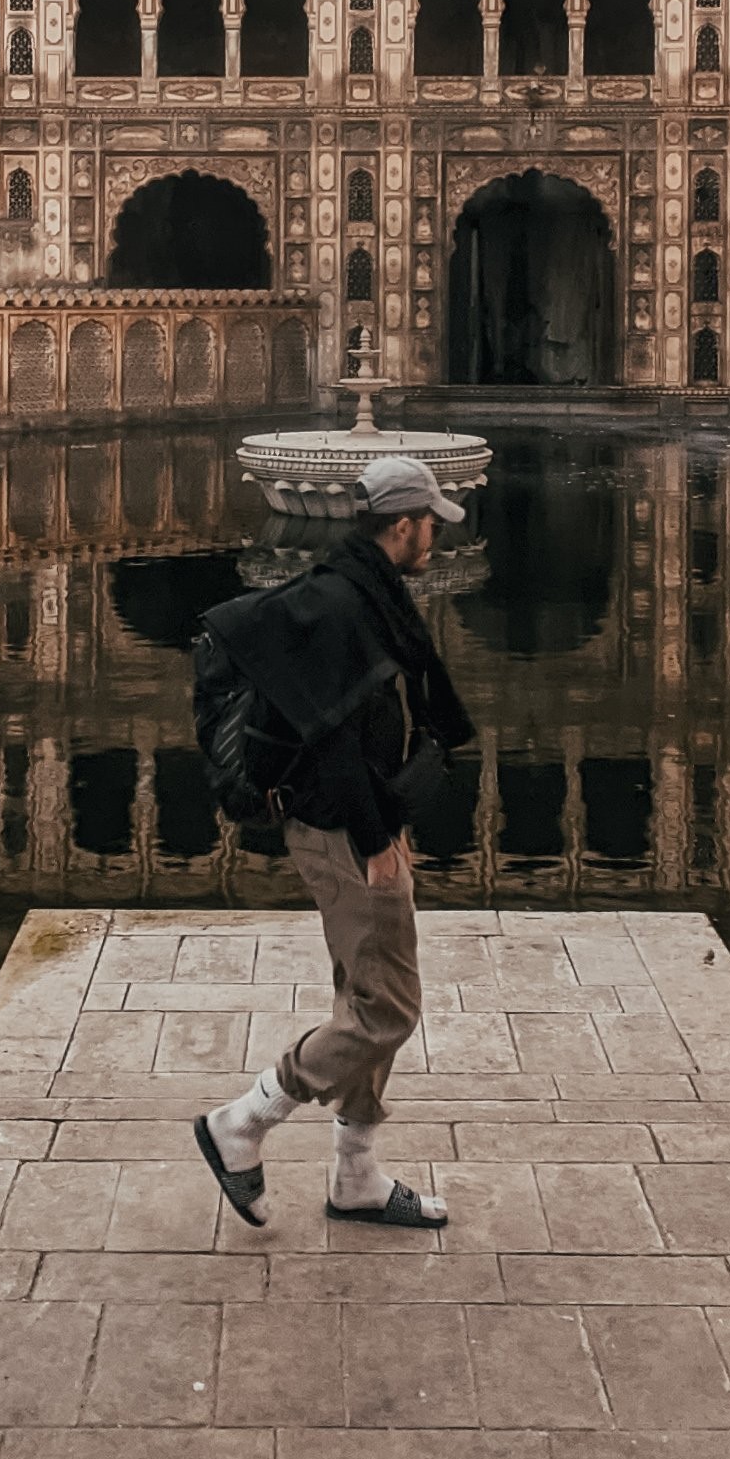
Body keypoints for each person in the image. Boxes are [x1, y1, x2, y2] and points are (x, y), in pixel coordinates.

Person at [193, 454, 475, 1229]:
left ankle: (356, 1174)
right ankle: (243, 1121)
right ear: (407, 523)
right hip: (344, 829)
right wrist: (377, 835)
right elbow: (334, 738)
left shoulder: (359, 591)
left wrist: (386, 819)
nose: (436, 541)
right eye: (431, 526)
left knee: (365, 996)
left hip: (356, 821)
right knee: (388, 1007)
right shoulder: (345, 605)